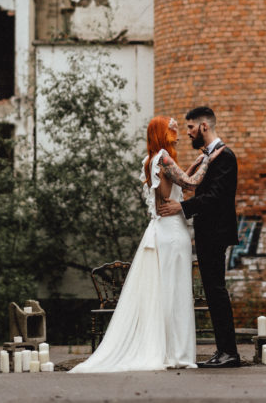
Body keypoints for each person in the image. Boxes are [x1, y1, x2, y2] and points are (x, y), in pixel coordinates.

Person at [70, 116, 221, 372]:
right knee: (177, 292)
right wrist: (208, 161)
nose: (176, 130)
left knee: (167, 292)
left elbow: (174, 181)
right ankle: (178, 355)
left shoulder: (151, 159)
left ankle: (170, 351)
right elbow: (190, 183)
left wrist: (195, 163)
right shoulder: (164, 157)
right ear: (160, 133)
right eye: (171, 127)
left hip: (161, 230)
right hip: (173, 232)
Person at [157, 106, 241, 368]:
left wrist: (182, 208)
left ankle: (229, 353)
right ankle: (223, 350)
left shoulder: (225, 156)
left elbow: (217, 197)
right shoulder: (209, 157)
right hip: (208, 232)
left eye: (191, 128)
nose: (189, 133)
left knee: (216, 291)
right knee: (213, 291)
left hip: (216, 233)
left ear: (204, 126)